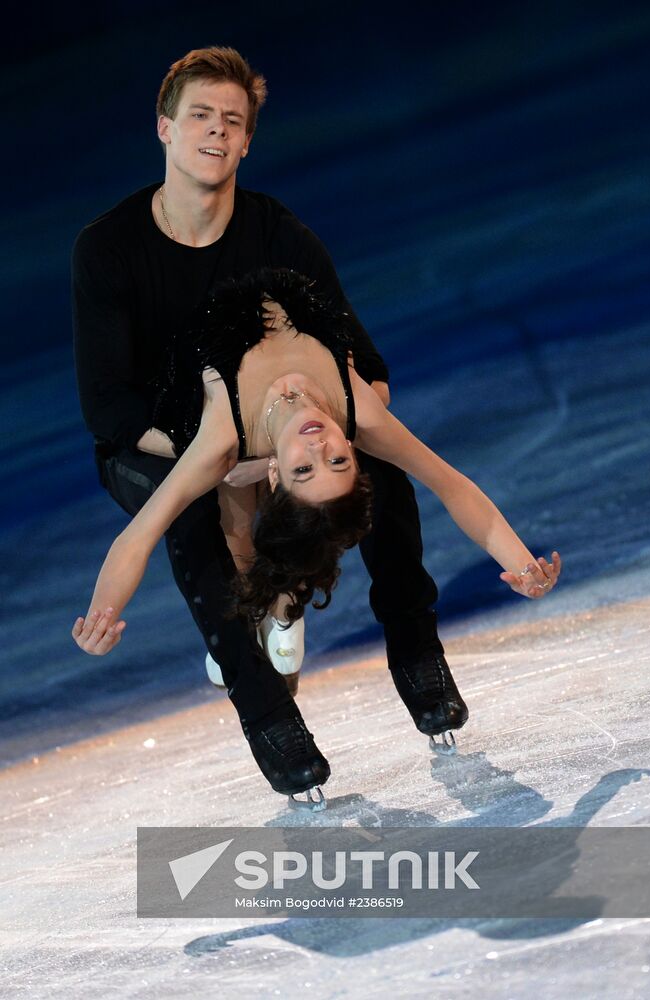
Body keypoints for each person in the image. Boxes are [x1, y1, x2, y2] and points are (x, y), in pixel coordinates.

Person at [69, 44, 501, 809]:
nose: (215, 132)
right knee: (195, 516)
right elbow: (109, 409)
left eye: (231, 121)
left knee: (385, 472)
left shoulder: (277, 233)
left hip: (268, 425)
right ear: (163, 129)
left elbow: (364, 360)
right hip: (159, 443)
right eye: (199, 115)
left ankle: (416, 653)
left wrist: (329, 430)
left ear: (246, 143)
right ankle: (267, 711)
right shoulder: (108, 249)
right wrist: (225, 453)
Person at [73, 268, 562, 807]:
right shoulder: (358, 413)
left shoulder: (223, 437)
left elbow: (139, 536)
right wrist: (522, 563)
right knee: (238, 504)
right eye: (337, 459)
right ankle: (276, 604)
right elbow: (450, 482)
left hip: (200, 428)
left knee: (217, 495)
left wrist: (101, 616)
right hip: (178, 409)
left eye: (306, 469)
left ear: (278, 472)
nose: (319, 445)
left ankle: (277, 602)